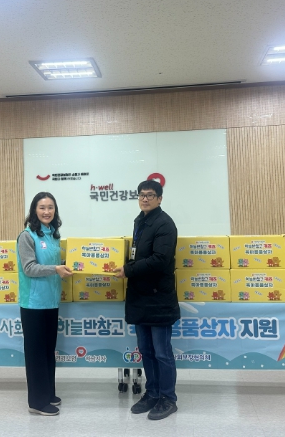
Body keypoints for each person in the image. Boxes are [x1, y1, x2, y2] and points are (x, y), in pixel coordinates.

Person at [115, 179, 180, 420]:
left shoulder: (165, 223)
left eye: (150, 195)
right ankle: (152, 393)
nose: (145, 198)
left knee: (162, 352)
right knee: (146, 351)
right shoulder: (140, 221)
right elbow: (137, 255)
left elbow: (160, 260)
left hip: (158, 298)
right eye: (142, 195)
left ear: (160, 198)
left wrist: (128, 269)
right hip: (140, 297)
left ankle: (168, 398)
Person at [17, 192, 72, 416]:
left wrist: (69, 264)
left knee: (49, 350)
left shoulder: (53, 234)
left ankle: (48, 393)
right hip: (33, 303)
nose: (46, 211)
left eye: (50, 207)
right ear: (34, 210)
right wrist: (56, 269)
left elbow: (53, 262)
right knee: (36, 353)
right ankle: (37, 402)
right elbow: (29, 268)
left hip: (51, 300)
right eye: (42, 207)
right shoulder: (26, 236)